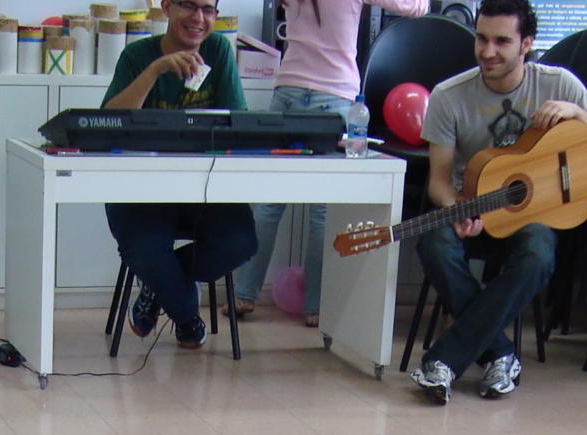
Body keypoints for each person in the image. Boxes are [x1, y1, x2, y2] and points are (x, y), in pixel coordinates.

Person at [409, 0, 587, 404]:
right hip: (473, 207)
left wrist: (579, 114)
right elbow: (438, 181)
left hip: (533, 213)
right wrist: (459, 207)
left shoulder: (559, 84)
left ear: (526, 44)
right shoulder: (448, 95)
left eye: (501, 41)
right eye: (481, 39)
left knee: (538, 254)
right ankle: (500, 354)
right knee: (433, 243)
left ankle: (445, 359)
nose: (487, 51)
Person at [232, 0, 430, 328]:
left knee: (269, 203)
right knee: (322, 211)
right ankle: (315, 307)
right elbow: (416, 7)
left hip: (288, 91)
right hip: (334, 95)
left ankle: (243, 295)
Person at [102, 0, 259, 350]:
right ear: (167, 7)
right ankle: (187, 316)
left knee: (241, 241)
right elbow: (108, 123)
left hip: (201, 189)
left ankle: (159, 285)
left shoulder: (218, 49)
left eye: (208, 9)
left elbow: (238, 122)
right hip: (140, 191)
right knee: (145, 251)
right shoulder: (137, 56)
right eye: (189, 6)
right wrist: (155, 71)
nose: (199, 18)